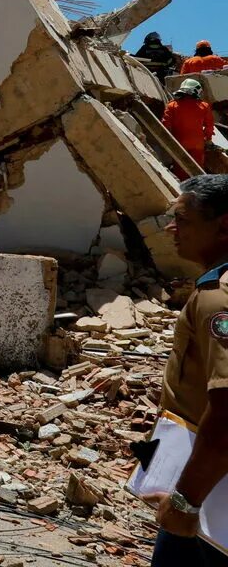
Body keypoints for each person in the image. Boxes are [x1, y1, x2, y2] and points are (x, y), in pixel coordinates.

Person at [146, 175, 228, 566]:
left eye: (183, 219)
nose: (171, 228)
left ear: (224, 225)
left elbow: (227, 407)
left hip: (213, 496)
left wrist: (185, 502)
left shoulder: (220, 296)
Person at [163, 79, 215, 174]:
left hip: (178, 144)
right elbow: (209, 126)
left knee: (180, 170)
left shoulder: (172, 105)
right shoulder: (204, 106)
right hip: (197, 144)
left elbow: (165, 125)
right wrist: (208, 139)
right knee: (197, 171)